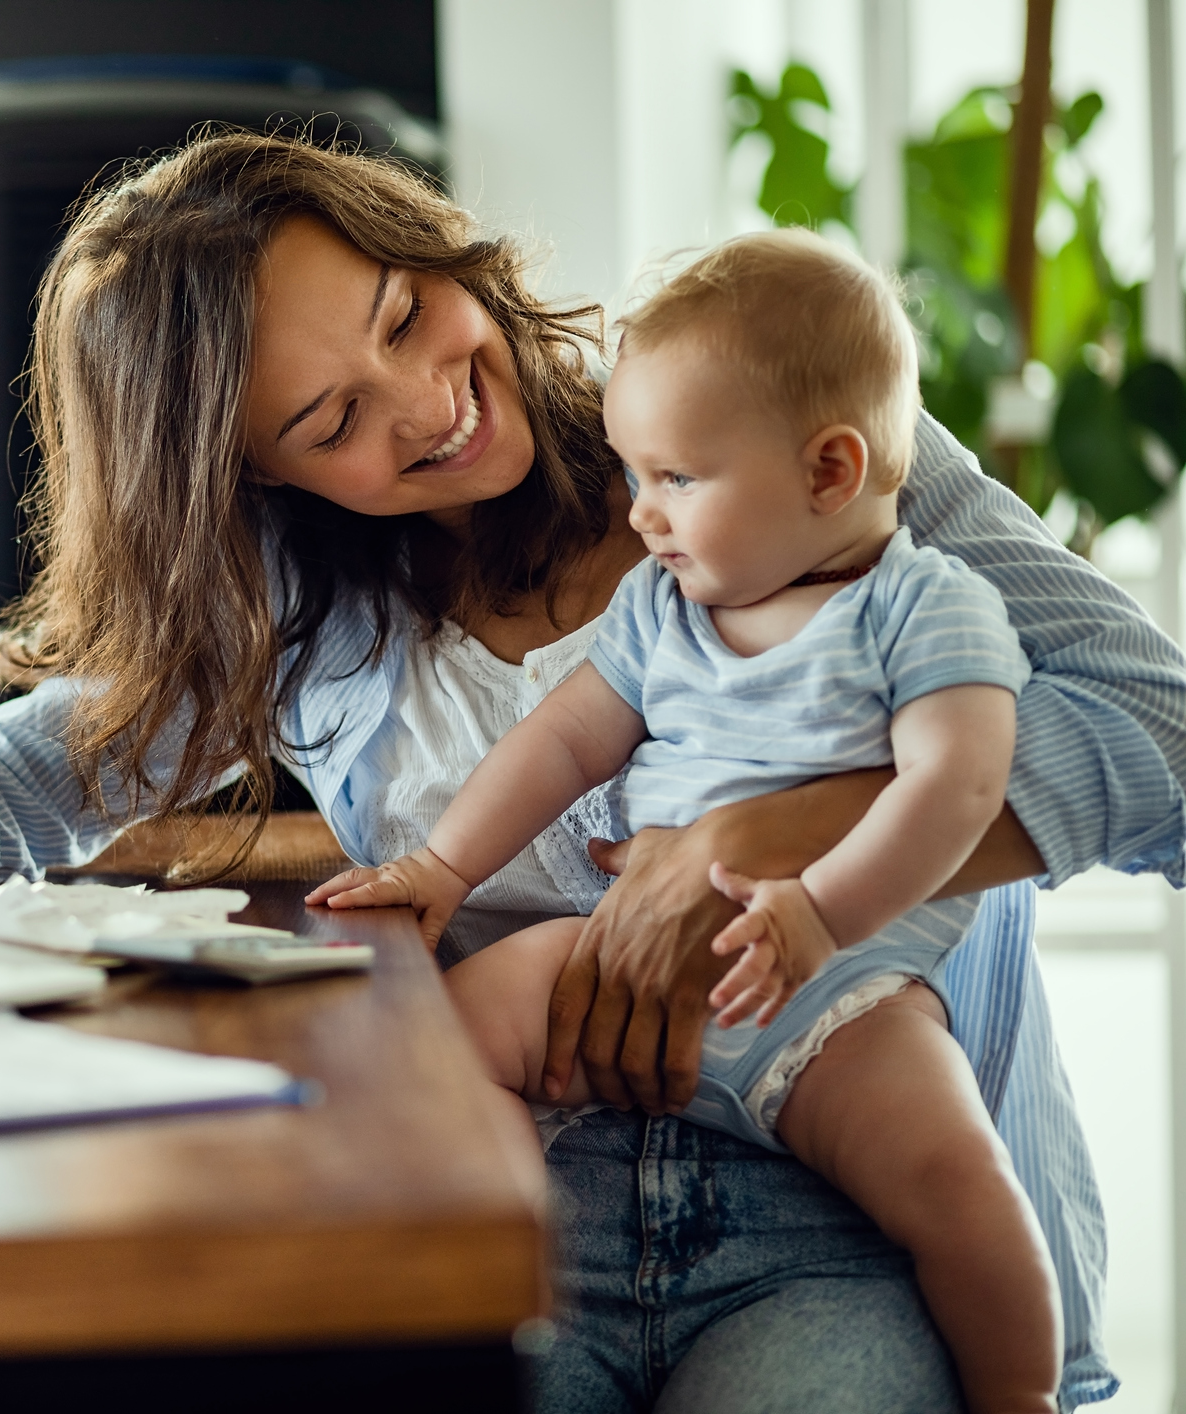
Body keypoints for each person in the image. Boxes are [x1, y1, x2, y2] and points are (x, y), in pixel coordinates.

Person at [0, 131, 1185, 1410]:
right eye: (330, 421)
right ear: (256, 479)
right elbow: (57, 755)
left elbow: (1163, 735)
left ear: (432, 249)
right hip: (513, 1197)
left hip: (844, 1193)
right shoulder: (306, 600)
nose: (426, 403)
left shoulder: (765, 418)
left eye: (408, 316)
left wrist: (772, 835)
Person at [310, 229, 1058, 1412]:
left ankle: (1020, 1388)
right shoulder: (662, 608)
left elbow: (957, 793)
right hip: (622, 951)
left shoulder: (925, 607)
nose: (641, 512)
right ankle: (513, 1263)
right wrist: (444, 864)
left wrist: (817, 914)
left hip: (837, 994)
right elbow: (564, 739)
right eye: (635, 474)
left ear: (827, 472)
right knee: (445, 1035)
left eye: (678, 479)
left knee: (955, 1173)